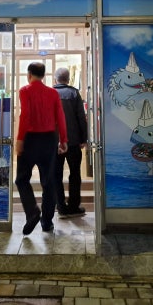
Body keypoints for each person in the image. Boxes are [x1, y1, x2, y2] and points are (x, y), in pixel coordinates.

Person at [15, 62, 68, 235]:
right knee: (49, 182)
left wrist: (20, 139)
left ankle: (32, 212)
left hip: (30, 139)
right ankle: (47, 222)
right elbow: (60, 116)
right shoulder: (53, 93)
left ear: (29, 74)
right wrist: (63, 139)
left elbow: (25, 116)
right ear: (44, 75)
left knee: (22, 179)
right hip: (49, 140)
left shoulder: (25, 91)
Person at [53, 67, 88, 218]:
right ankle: (73, 206)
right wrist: (84, 139)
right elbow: (81, 117)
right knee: (75, 174)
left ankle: (60, 206)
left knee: (56, 175)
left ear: (55, 79)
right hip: (73, 142)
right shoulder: (74, 93)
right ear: (68, 80)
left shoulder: (50, 93)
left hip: (55, 143)